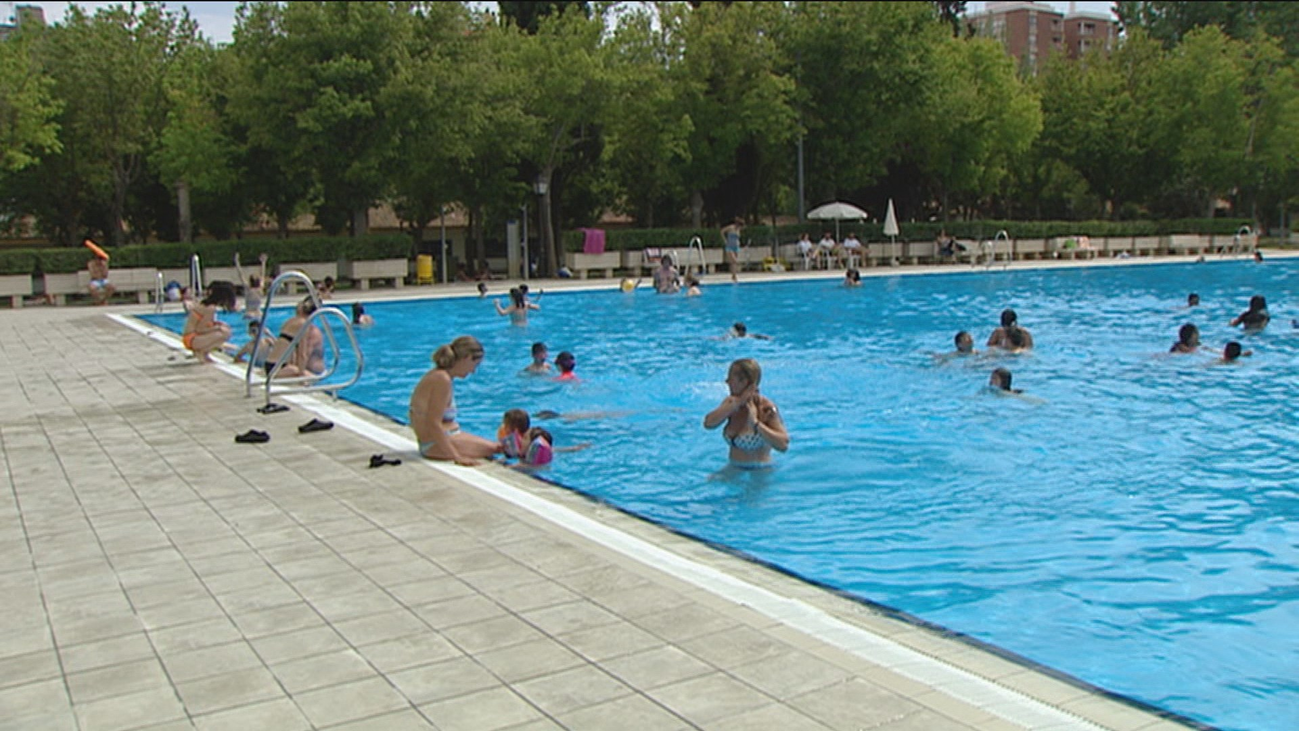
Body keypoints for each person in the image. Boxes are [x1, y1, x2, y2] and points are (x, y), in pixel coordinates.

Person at [409, 335, 499, 465]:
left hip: (444, 438)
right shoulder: (441, 380)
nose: (473, 371)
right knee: (496, 449)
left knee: (498, 447)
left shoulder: (442, 376)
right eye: (475, 365)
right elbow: (433, 423)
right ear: (467, 358)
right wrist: (457, 457)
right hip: (434, 445)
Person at [703, 358, 789, 467]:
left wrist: (756, 424)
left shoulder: (765, 408)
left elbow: (783, 445)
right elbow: (708, 424)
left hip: (760, 471)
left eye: (730, 378)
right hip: (733, 467)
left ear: (743, 382)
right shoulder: (731, 403)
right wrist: (737, 403)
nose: (727, 381)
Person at [265, 298, 324, 378]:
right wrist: (301, 374)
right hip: (277, 368)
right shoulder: (303, 325)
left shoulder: (290, 321)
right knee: (313, 378)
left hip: (271, 364)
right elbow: (302, 354)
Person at [180, 281, 236, 363]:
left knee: (225, 330)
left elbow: (204, 324)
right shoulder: (210, 308)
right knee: (225, 333)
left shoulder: (206, 304)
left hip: (191, 338)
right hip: (191, 339)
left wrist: (218, 325)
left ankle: (203, 353)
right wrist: (219, 328)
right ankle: (202, 352)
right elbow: (200, 329)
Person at [234, 252, 268, 320]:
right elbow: (262, 274)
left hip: (249, 314)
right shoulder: (260, 289)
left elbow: (240, 274)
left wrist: (236, 261)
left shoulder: (248, 289)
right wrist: (263, 262)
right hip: (259, 314)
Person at [721, 217, 743, 283]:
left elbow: (738, 238)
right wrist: (724, 240)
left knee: (733, 263)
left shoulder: (738, 230)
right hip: (729, 246)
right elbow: (722, 231)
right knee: (734, 261)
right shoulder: (731, 227)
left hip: (736, 247)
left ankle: (733, 275)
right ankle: (734, 276)